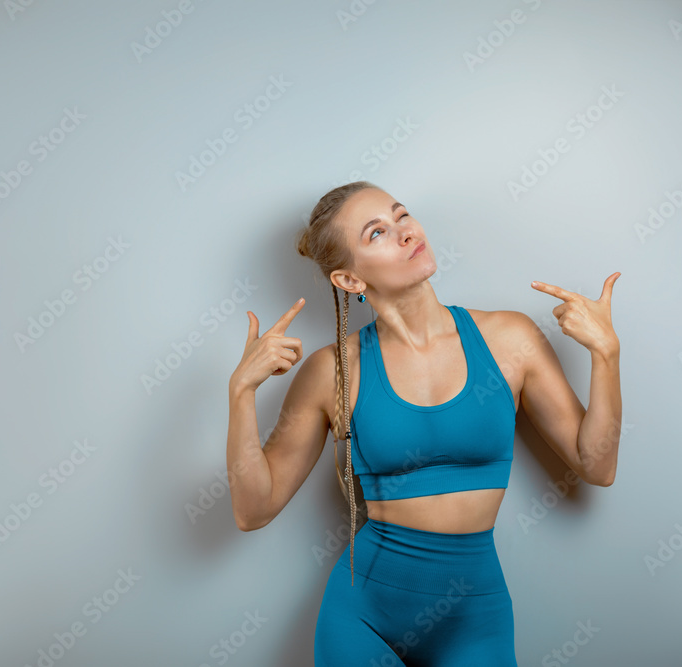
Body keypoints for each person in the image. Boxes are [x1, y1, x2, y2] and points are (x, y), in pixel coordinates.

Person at [226, 181, 622, 665]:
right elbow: (254, 510)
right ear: (350, 281)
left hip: (475, 615)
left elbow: (596, 464)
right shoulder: (332, 373)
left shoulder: (509, 338)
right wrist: (241, 393)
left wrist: (606, 354)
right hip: (364, 616)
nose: (405, 232)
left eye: (402, 215)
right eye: (377, 233)